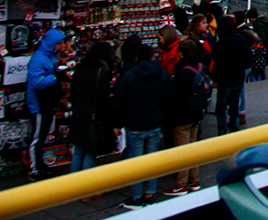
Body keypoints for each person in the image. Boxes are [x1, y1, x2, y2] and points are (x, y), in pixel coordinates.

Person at [113, 44, 171, 208]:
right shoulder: (161, 74)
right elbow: (169, 97)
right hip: (154, 122)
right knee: (152, 160)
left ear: (137, 58)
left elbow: (119, 102)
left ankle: (136, 196)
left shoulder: (129, 76)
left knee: (136, 163)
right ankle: (150, 193)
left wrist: (118, 123)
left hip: (135, 124)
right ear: (153, 57)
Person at [164, 39, 208, 195]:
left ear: (180, 53)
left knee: (182, 150)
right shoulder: (203, 67)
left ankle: (180, 184)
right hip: (198, 112)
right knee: (193, 146)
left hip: (183, 115)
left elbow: (175, 96)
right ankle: (194, 180)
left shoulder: (181, 71)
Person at [68, 41, 115, 178]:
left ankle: (72, 185)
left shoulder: (81, 69)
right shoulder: (103, 72)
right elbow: (103, 99)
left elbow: (73, 94)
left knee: (78, 150)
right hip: (93, 117)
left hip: (78, 115)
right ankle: (86, 188)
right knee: (89, 151)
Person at [26, 28, 69, 180]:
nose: (63, 46)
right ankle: (34, 169)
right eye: (60, 43)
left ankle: (39, 165)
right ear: (52, 43)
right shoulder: (39, 59)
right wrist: (55, 77)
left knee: (42, 136)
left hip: (47, 103)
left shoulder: (49, 56)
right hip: (39, 104)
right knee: (37, 138)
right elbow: (36, 83)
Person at [211, 16, 249, 135]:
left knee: (221, 109)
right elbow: (248, 59)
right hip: (238, 78)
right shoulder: (241, 39)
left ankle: (222, 132)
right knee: (234, 106)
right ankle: (234, 128)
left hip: (225, 81)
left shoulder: (221, 43)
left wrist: (215, 79)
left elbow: (217, 63)